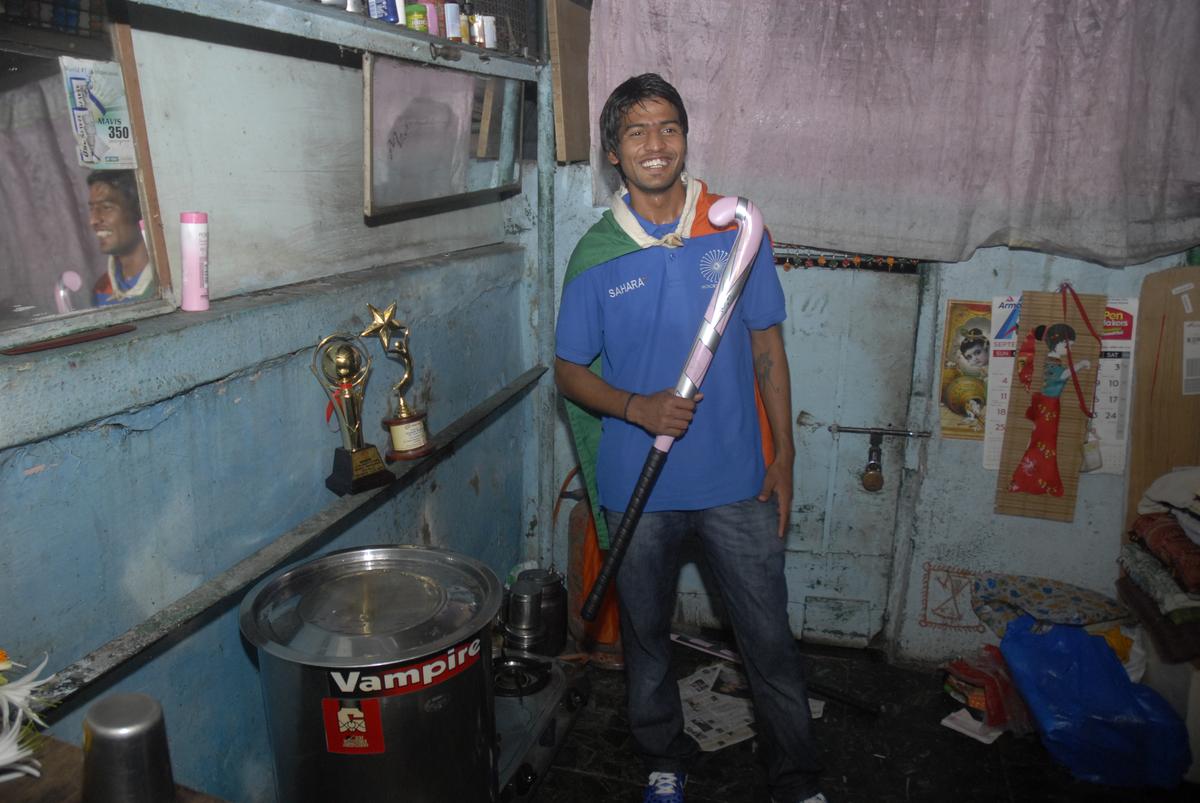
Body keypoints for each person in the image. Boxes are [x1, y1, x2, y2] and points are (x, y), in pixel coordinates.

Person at [555, 73, 826, 803]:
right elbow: (569, 371)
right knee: (646, 640)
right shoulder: (597, 256)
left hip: (736, 480)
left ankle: (797, 781)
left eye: (668, 127)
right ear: (614, 151)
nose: (656, 144)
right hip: (636, 486)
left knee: (768, 641)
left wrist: (786, 454)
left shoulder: (735, 230)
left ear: (685, 137)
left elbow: (767, 346)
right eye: (637, 131)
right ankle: (662, 758)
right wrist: (637, 407)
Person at [87, 170, 156, 306]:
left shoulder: (167, 284)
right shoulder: (102, 289)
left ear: (140, 210)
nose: (93, 220)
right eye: (92, 209)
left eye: (106, 207)